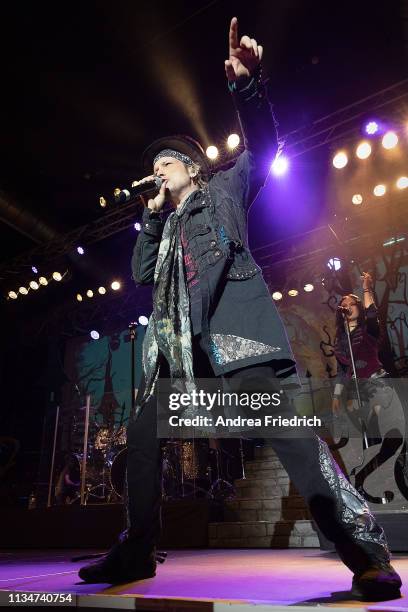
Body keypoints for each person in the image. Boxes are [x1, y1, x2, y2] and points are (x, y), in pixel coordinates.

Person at [79, 18, 402, 600]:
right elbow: (142, 274)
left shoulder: (223, 190)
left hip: (241, 349)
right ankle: (136, 550)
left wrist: (248, 87)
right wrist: (151, 217)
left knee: (298, 446)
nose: (159, 168)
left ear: (193, 167)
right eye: (155, 164)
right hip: (185, 366)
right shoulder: (164, 223)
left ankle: (366, 555)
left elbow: (263, 143)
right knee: (143, 440)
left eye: (168, 161)